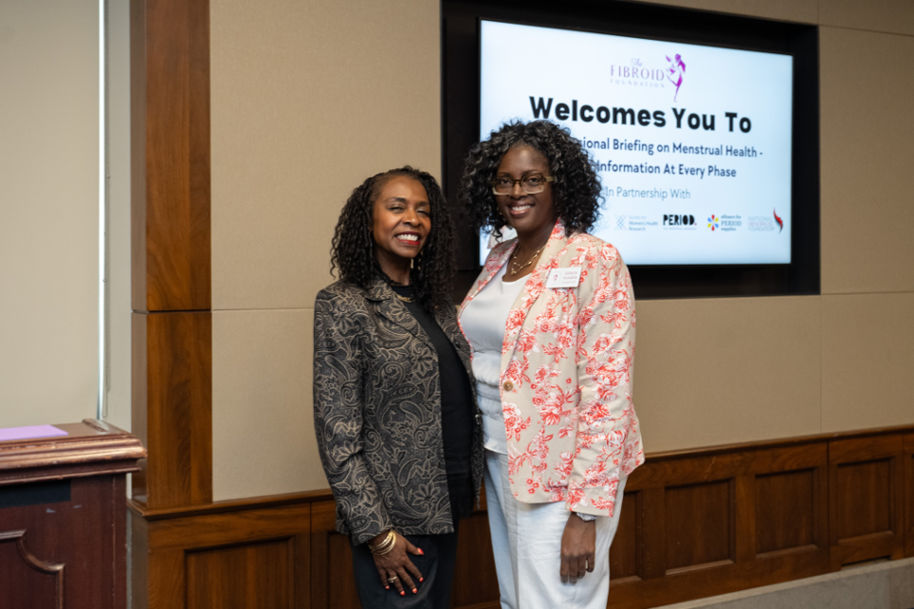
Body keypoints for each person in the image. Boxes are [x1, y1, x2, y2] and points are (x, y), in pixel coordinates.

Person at [458, 120, 644, 609]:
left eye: (532, 179)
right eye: (505, 180)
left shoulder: (593, 260)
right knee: (517, 600)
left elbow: (609, 392)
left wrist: (586, 511)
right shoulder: (500, 257)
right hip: (503, 461)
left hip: (566, 475)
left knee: (559, 603)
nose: (517, 191)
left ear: (560, 183)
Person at [313, 166, 483, 608]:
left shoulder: (442, 306)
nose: (413, 219)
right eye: (397, 207)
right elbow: (337, 435)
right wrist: (378, 534)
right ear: (368, 221)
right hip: (394, 521)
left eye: (423, 211)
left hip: (450, 499)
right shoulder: (344, 304)